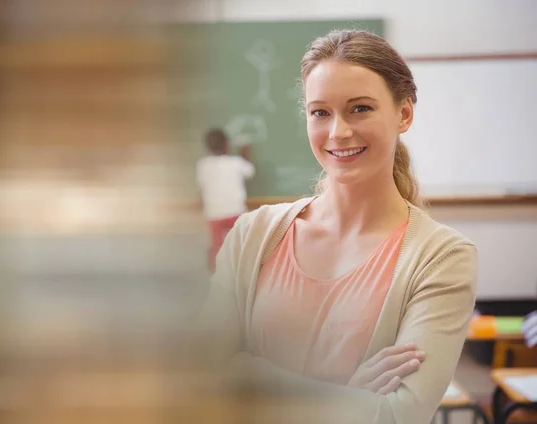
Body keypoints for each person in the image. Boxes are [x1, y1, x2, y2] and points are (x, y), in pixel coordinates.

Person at [193, 30, 478, 423]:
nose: (338, 132)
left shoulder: (442, 258)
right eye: (320, 112)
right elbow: (201, 375)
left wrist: (248, 370)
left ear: (404, 114)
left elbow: (398, 416)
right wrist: (343, 396)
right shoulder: (251, 235)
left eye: (360, 108)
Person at [196, 128, 255, 272]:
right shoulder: (236, 162)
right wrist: (245, 154)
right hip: (235, 212)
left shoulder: (202, 165)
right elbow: (250, 171)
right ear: (227, 144)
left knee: (217, 245)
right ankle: (242, 272)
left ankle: (215, 274)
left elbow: (202, 185)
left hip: (213, 213)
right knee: (241, 243)